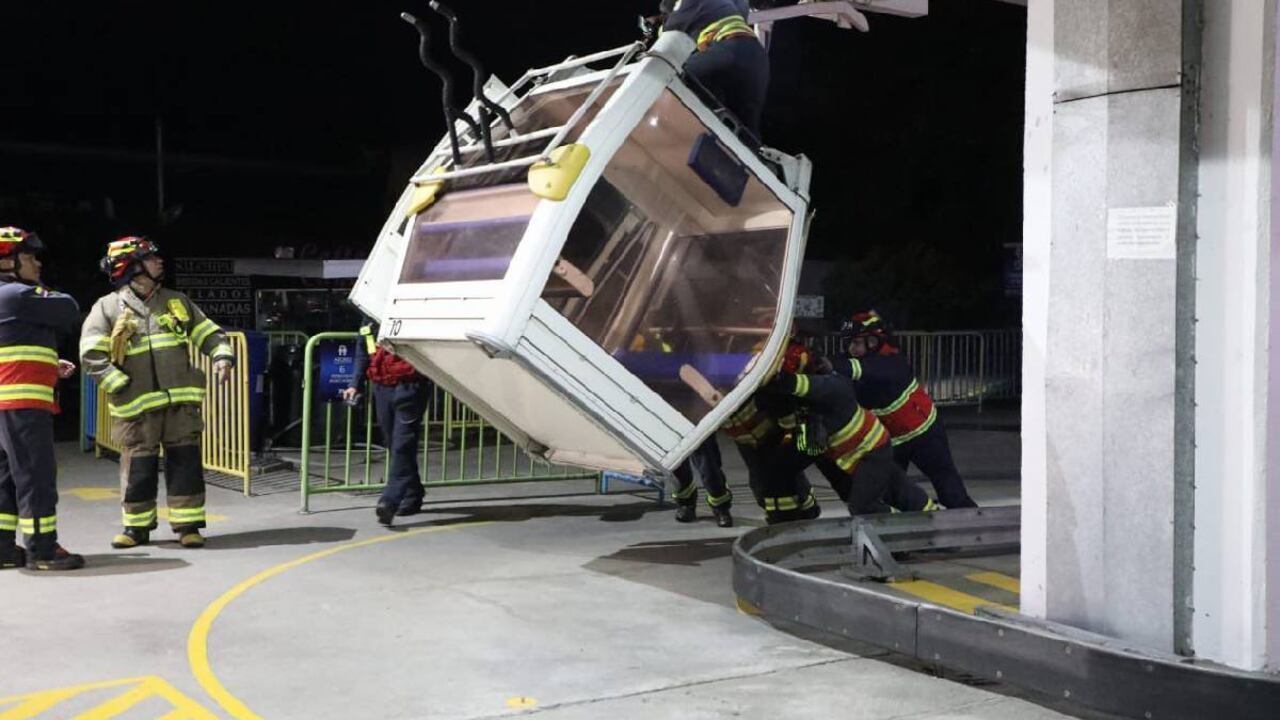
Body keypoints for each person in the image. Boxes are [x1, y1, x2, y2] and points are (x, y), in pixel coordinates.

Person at [81, 237, 235, 549]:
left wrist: (222, 356)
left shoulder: (176, 301)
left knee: (185, 463)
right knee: (139, 468)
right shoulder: (108, 308)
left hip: (180, 405)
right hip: (136, 410)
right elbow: (91, 355)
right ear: (133, 268)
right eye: (151, 259)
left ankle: (188, 526)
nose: (159, 262)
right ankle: (136, 529)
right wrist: (118, 385)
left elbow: (209, 333)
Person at [758, 340, 939, 516]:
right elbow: (803, 438)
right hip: (855, 453)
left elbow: (793, 384)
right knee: (899, 492)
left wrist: (771, 378)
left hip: (871, 452)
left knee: (863, 507)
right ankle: (932, 520)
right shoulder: (807, 397)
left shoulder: (830, 387)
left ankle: (905, 530)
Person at [0, 227, 84, 571]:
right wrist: (41, 291)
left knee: (6, 479)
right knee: (36, 476)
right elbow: (69, 309)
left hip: (6, 406)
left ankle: (4, 550)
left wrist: (50, 364)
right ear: (8, 261)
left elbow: (13, 348)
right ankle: (43, 550)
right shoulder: (18, 295)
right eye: (29, 256)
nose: (37, 263)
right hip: (21, 405)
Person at [835, 310, 978, 509]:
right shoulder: (858, 360)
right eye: (849, 343)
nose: (851, 349)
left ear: (873, 342)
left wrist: (831, 365)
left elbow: (861, 370)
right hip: (892, 442)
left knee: (950, 491)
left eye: (856, 343)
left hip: (924, 434)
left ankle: (970, 526)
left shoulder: (893, 361)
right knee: (890, 494)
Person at [340, 321, 433, 526]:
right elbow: (364, 351)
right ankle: (412, 493)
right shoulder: (369, 322)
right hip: (382, 388)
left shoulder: (410, 314)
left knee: (402, 445)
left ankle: (390, 500)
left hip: (410, 387)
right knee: (394, 443)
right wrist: (354, 385)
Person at [661, 0, 770, 138]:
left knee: (669, 83)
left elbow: (668, 39)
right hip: (756, 58)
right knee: (746, 134)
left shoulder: (685, 5)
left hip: (727, 50)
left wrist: (662, 21)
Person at [671, 435, 734, 527]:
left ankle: (721, 507)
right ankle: (686, 503)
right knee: (676, 464)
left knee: (708, 465)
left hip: (697, 423)